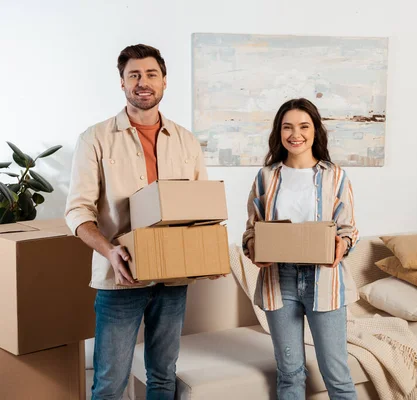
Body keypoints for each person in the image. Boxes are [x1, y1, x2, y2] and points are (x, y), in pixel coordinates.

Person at [65, 44, 210, 399]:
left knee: (162, 376)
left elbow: (201, 209)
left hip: (173, 278)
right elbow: (77, 212)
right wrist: (110, 252)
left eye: (150, 74)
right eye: (134, 75)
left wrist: (207, 254)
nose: (143, 82)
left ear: (163, 81)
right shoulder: (95, 139)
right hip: (121, 278)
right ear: (122, 83)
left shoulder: (186, 141)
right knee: (110, 383)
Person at [243, 98, 359, 399]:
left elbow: (348, 229)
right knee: (290, 373)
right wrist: (255, 248)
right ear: (279, 132)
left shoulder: (335, 176)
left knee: (336, 374)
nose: (296, 134)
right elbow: (251, 231)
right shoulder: (266, 177)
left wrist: (341, 246)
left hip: (324, 282)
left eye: (304, 126)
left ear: (315, 130)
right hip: (279, 281)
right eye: (288, 127)